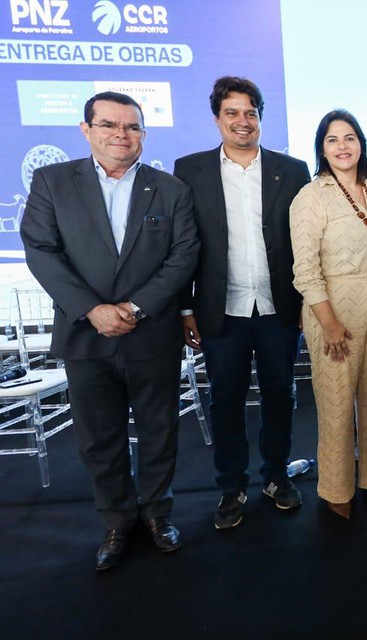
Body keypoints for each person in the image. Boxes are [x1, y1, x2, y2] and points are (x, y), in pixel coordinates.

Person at [20, 91, 199, 570]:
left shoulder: (170, 189)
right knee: (100, 437)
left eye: (132, 126)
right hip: (85, 334)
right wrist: (92, 310)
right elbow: (40, 250)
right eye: (110, 125)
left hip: (152, 334)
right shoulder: (53, 182)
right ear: (87, 129)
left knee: (160, 430)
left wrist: (136, 308)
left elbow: (183, 256)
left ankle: (158, 514)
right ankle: (118, 521)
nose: (122, 135)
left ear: (144, 133)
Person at [174, 76, 311, 530]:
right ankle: (231, 486)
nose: (242, 121)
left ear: (260, 118)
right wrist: (185, 308)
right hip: (220, 309)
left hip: (278, 307)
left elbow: (304, 240)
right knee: (226, 400)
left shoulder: (291, 170)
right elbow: (183, 245)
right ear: (217, 118)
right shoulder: (189, 170)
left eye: (250, 112)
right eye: (232, 112)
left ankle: (275, 476)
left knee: (281, 394)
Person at [291, 110, 367, 519]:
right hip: (333, 310)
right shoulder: (311, 196)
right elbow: (305, 268)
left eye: (349, 138)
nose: (342, 146)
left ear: (361, 144)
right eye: (332, 139)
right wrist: (330, 324)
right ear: (321, 147)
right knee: (336, 406)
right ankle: (337, 490)